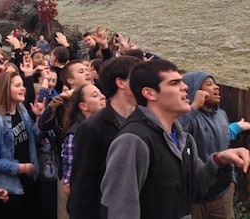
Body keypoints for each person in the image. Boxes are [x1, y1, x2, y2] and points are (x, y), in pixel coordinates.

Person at [100, 59, 250, 219]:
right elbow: (119, 209)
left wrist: (221, 160)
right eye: (174, 83)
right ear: (149, 93)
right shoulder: (133, 140)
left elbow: (198, 187)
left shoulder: (185, 140)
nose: (185, 87)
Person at [67, 56, 140, 219]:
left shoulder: (145, 121)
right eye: (136, 77)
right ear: (121, 83)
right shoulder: (93, 127)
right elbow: (82, 184)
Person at [179, 71, 250, 219]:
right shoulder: (187, 117)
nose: (216, 87)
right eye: (209, 84)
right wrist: (195, 106)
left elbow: (223, 135)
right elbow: (175, 133)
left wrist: (237, 127)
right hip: (195, 196)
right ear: (194, 90)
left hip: (223, 192)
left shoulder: (221, 115)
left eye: (216, 84)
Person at [0, 72, 45, 219]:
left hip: (28, 183)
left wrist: (39, 118)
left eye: (22, 85)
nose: (23, 88)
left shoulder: (22, 111)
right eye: (17, 86)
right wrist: (21, 168)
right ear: (5, 90)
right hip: (10, 189)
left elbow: (33, 140)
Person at [59, 84, 106, 210]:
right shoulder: (74, 135)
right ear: (83, 106)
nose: (102, 97)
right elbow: (68, 183)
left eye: (101, 93)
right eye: (95, 95)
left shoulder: (106, 126)